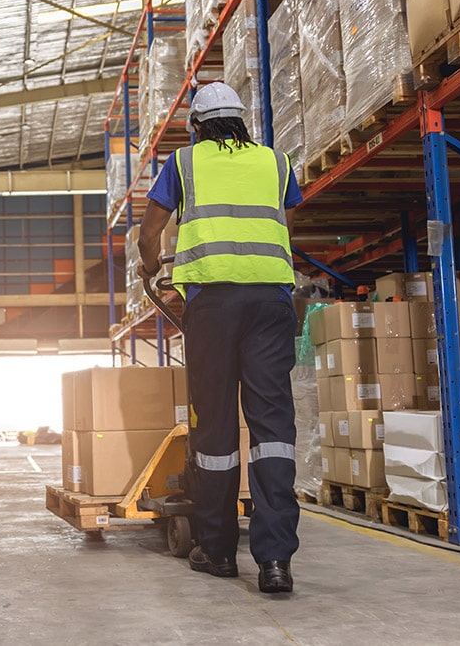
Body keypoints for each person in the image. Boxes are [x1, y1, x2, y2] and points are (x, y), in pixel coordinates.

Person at [136, 82, 301, 594]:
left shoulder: (184, 164)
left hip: (211, 306)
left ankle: (219, 550)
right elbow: (287, 218)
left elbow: (150, 233)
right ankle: (275, 563)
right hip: (271, 302)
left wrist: (151, 266)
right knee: (273, 428)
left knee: (215, 431)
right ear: (241, 120)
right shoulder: (277, 162)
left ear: (198, 125)